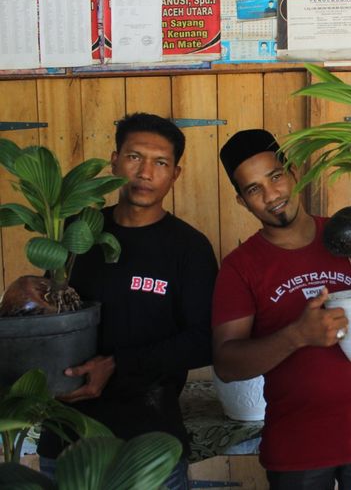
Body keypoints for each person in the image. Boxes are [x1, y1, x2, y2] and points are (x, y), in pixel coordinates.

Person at [212, 129, 351, 489]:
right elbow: (226, 364)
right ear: (242, 201)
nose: (271, 196)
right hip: (297, 447)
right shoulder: (240, 267)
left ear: (294, 172)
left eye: (275, 177)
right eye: (254, 190)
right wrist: (296, 336)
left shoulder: (346, 234)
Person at [37, 113, 218, 489]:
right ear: (114, 160)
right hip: (67, 444)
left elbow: (203, 341)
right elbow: (47, 322)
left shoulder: (188, 249)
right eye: (134, 157)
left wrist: (115, 365)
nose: (145, 172)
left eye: (161, 162)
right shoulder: (77, 234)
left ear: (175, 174)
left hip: (149, 447)